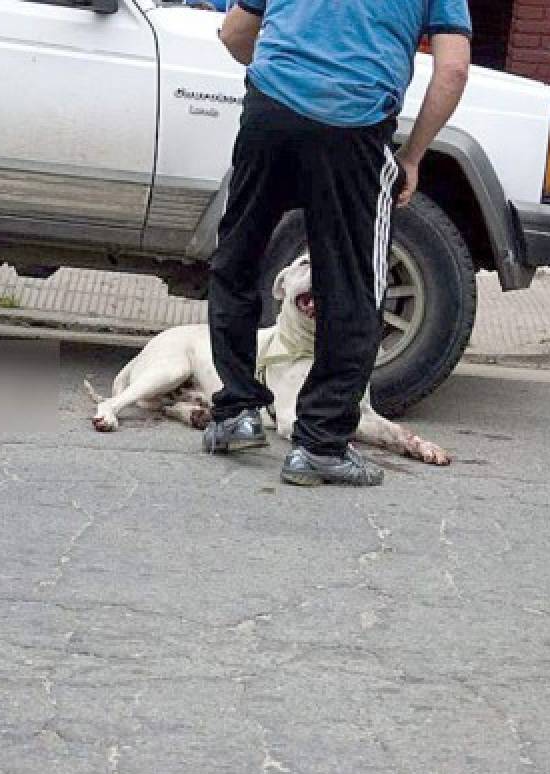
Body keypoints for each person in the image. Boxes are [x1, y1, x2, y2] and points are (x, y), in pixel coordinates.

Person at [202, 0, 472, 486]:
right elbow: (452, 70)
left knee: (238, 256)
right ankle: (320, 444)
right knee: (352, 280)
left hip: (270, 113)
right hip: (355, 125)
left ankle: (236, 413)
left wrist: (280, 79)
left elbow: (235, 33)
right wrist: (412, 156)